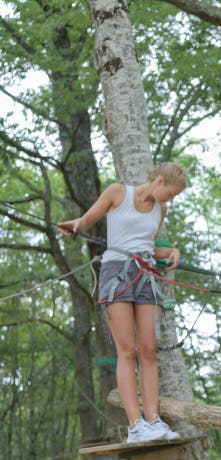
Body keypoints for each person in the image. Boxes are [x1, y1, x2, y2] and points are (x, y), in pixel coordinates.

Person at [59, 162, 187, 444]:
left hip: (146, 273)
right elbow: (87, 220)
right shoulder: (118, 193)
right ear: (159, 182)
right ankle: (135, 425)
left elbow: (151, 245)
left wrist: (172, 250)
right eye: (172, 194)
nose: (171, 200)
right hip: (116, 271)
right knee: (127, 350)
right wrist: (76, 225)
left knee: (149, 349)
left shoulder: (159, 209)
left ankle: (153, 420)